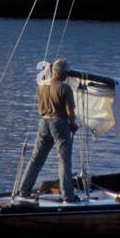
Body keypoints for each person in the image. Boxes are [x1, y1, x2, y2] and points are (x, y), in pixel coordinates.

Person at [17, 58, 78, 203]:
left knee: (36, 159)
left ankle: (24, 191)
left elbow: (45, 79)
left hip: (43, 123)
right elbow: (70, 111)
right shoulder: (65, 88)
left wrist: (47, 71)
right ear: (62, 73)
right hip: (60, 123)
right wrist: (73, 124)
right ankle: (68, 196)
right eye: (66, 73)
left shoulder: (41, 86)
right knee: (64, 160)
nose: (67, 75)